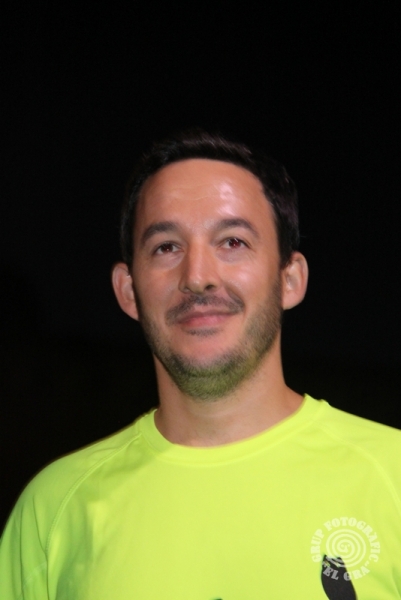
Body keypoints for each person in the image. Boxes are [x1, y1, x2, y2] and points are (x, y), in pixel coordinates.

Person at [1, 130, 400, 599]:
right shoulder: (54, 509)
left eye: (232, 242)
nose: (197, 277)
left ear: (290, 279)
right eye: (166, 247)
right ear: (128, 291)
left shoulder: (390, 477)